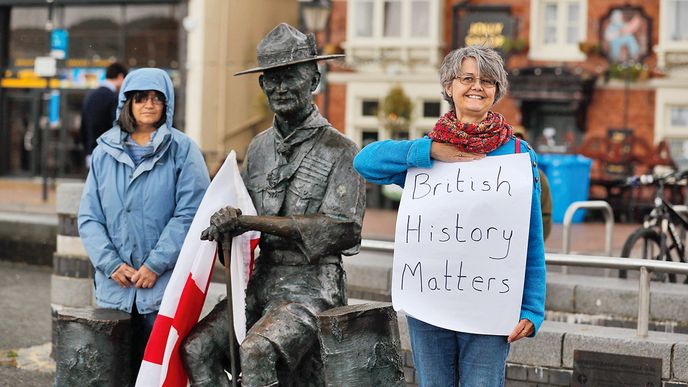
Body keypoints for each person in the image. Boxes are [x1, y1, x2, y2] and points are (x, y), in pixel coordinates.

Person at [181, 23, 366, 387]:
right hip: (261, 282)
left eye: (290, 76)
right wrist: (225, 227)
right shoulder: (259, 149)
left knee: (255, 350)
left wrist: (252, 221)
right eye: (271, 79)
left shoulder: (341, 150)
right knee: (197, 348)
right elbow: (241, 235)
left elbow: (343, 229)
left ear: (313, 79)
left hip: (313, 287)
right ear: (262, 85)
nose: (280, 87)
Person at [353, 45, 546, 387]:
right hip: (431, 304)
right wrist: (427, 151)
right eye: (467, 78)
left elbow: (530, 239)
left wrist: (532, 309)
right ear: (448, 87)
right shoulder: (428, 151)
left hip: (490, 304)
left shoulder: (518, 155)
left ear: (497, 91)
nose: (477, 87)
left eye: (487, 81)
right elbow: (365, 162)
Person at [78, 68, 210, 383]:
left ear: (167, 104)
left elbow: (191, 212)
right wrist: (110, 263)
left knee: (159, 375)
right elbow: (89, 216)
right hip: (115, 290)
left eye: (157, 98)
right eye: (140, 98)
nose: (149, 105)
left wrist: (155, 263)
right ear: (127, 102)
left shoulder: (183, 149)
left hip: (162, 288)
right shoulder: (103, 153)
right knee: (114, 373)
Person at [80, 62, 128, 167]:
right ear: (120, 76)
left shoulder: (90, 96)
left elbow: (83, 127)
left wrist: (87, 150)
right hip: (109, 154)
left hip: (91, 152)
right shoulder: (115, 97)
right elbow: (117, 127)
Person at [513, 125, 553, 241]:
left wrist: (535, 243)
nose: (517, 147)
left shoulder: (538, 176)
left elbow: (545, 214)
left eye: (521, 142)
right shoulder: (496, 173)